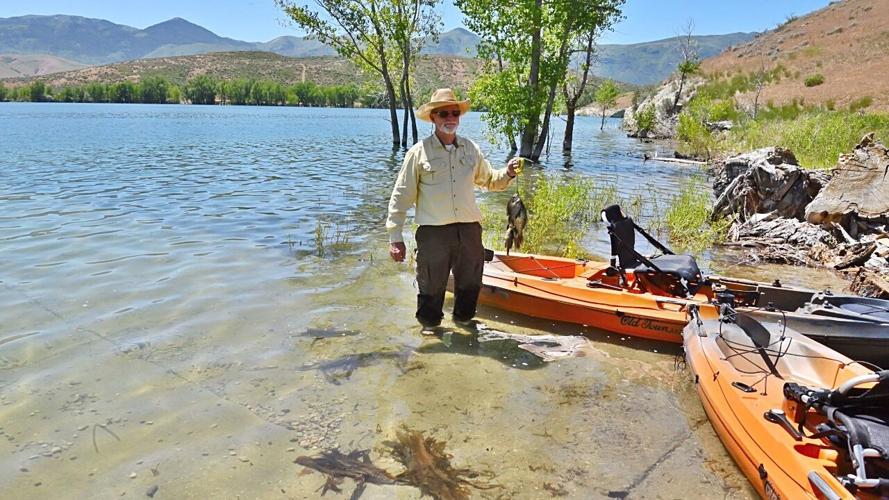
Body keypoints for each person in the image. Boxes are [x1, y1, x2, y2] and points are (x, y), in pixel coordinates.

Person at [386, 88, 520, 328]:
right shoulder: (418, 153)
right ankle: (429, 333)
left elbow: (490, 180)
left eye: (454, 113)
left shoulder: (470, 149)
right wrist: (395, 237)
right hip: (433, 234)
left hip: (469, 232)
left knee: (470, 286)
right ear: (433, 118)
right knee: (430, 287)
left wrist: (508, 173)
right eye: (443, 113)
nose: (450, 118)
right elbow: (401, 196)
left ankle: (465, 326)